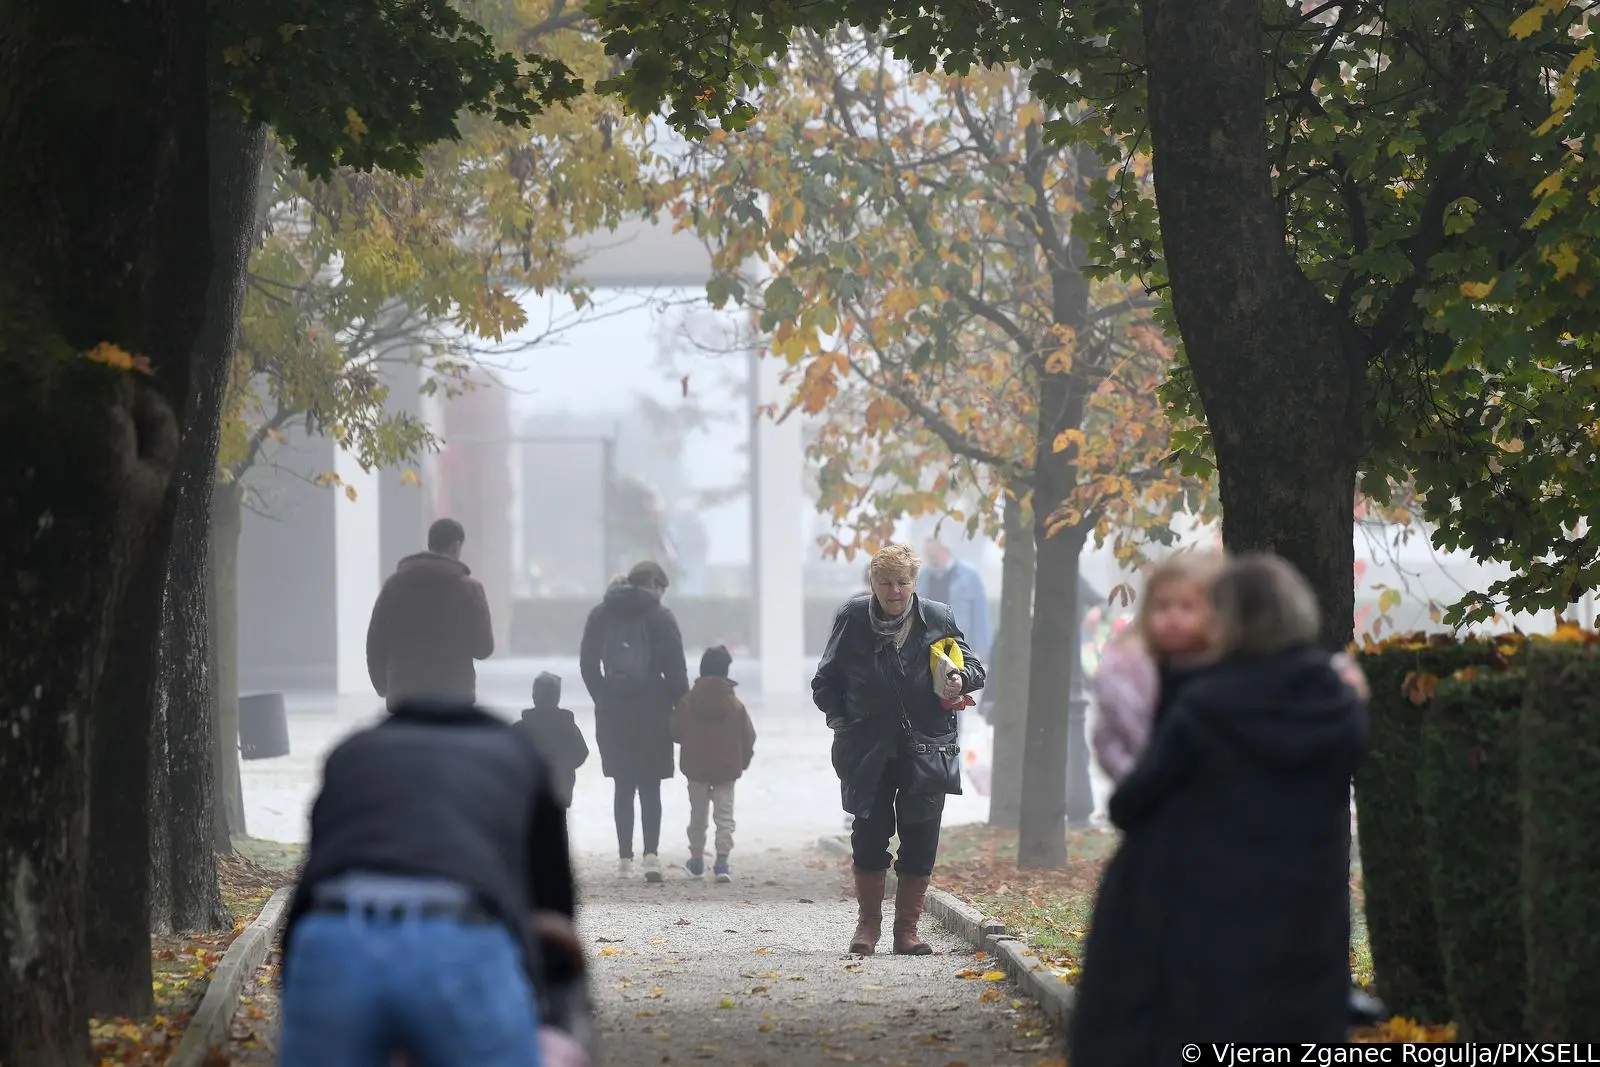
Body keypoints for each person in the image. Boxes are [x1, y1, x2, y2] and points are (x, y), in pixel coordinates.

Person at [1069, 553, 1369, 1065]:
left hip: (1210, 922)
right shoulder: (1341, 704)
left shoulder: (1205, 707)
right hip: (1307, 922)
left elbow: (1132, 803)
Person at [277, 698, 584, 1067]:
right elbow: (553, 901)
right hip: (459, 936)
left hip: (334, 934)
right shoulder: (517, 753)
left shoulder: (352, 752)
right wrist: (545, 1012)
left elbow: (315, 874)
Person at [814, 543, 985, 956]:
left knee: (921, 837)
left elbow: (974, 668)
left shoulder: (937, 617)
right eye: (886, 582)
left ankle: (906, 931)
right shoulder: (853, 617)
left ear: (914, 583)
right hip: (866, 748)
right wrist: (840, 717)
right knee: (869, 837)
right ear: (872, 582)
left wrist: (959, 678)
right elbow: (826, 679)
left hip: (926, 747)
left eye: (902, 583)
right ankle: (867, 927)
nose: (894, 591)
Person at [1091, 551, 1371, 784]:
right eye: (1162, 607)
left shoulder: (1232, 672)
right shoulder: (1134, 675)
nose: (1172, 617)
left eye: (1187, 607)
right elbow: (1111, 741)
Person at [579, 560, 689, 883]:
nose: (661, 595)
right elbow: (677, 669)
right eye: (661, 588)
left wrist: (603, 695)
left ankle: (624, 858)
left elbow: (587, 663)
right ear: (653, 583)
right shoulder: (661, 616)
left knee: (623, 784)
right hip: (653, 708)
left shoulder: (601, 612)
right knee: (650, 784)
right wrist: (676, 702)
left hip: (614, 707)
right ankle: (651, 856)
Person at [365, 518, 495, 709]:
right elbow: (483, 648)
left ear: (429, 544)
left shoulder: (394, 585)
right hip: (453, 697)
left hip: (404, 697)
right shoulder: (469, 589)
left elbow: (375, 641)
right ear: (456, 545)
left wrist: (385, 687)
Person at [670, 645, 756, 883]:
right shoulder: (735, 704)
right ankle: (722, 863)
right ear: (726, 670)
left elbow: (675, 732)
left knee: (697, 816)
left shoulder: (687, 701)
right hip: (727, 769)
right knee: (724, 816)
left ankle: (696, 861)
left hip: (696, 768)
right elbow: (749, 737)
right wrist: (742, 762)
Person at [518, 672, 590, 810]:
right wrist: (566, 767)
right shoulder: (568, 726)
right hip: (562, 788)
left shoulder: (522, 728)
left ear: (534, 696)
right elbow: (582, 752)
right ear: (557, 697)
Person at [919, 539, 994, 666]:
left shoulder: (969, 576)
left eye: (933, 556)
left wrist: (985, 656)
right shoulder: (923, 576)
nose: (930, 560)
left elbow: (981, 618)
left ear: (945, 551)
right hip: (930, 651)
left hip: (960, 650)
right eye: (928, 556)